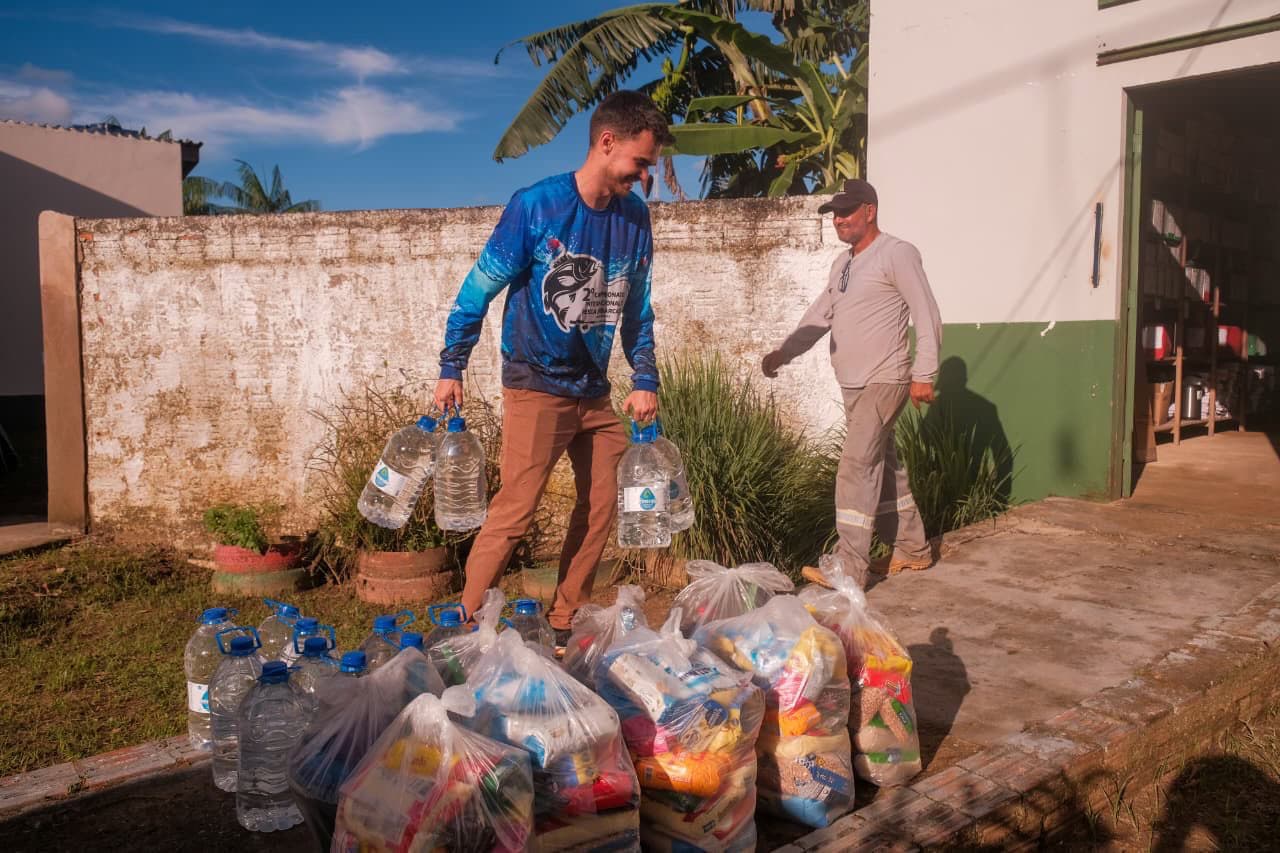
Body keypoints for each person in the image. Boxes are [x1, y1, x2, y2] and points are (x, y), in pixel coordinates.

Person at [432, 91, 672, 644]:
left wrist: (643, 378)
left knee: (601, 507)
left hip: (594, 392)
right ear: (606, 143)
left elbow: (638, 308)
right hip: (536, 385)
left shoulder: (635, 219)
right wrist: (452, 365)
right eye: (640, 162)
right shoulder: (537, 206)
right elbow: (479, 289)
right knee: (515, 510)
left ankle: (566, 620)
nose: (643, 177)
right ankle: (462, 628)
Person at [762, 179, 942, 588]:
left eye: (846, 211)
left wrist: (924, 373)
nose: (839, 219)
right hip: (854, 384)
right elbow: (820, 315)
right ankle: (913, 548)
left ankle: (850, 567)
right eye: (835, 214)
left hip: (885, 378)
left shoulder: (897, 253)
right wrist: (783, 352)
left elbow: (926, 313)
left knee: (856, 467)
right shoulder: (842, 265)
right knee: (885, 466)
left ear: (870, 210)